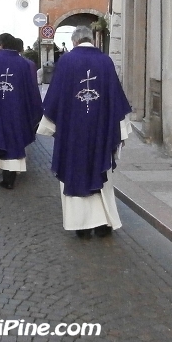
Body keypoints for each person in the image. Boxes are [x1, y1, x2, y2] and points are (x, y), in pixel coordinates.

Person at [37, 26, 132, 238]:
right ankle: (103, 223)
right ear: (92, 40)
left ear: (74, 42)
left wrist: (50, 125)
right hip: (100, 131)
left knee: (74, 170)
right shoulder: (105, 61)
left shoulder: (67, 61)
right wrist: (121, 129)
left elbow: (55, 97)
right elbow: (116, 97)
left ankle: (81, 225)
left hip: (72, 132)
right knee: (100, 170)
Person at [0, 33, 43, 189]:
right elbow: (32, 91)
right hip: (17, 113)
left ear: (1, 44)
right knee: (14, 141)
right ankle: (9, 178)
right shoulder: (24, 64)